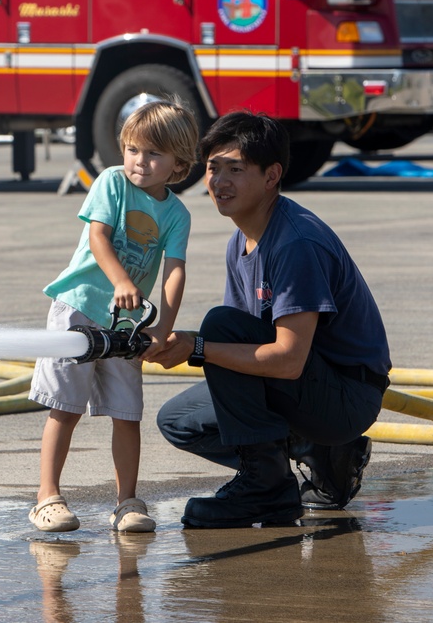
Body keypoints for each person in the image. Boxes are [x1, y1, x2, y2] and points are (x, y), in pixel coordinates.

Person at [150, 111, 390, 529]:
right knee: (179, 422)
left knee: (218, 329)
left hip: (345, 396)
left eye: (235, 170)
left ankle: (268, 485)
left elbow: (288, 359)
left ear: (271, 175)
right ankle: (311, 453)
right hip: (304, 388)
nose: (219, 182)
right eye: (213, 168)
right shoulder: (239, 241)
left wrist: (198, 347)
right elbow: (244, 356)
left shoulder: (295, 242)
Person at [28, 99, 198, 533]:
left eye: (153, 153)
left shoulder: (177, 213)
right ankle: (47, 496)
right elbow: (99, 238)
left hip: (126, 326)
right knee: (64, 407)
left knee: (127, 413)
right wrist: (122, 281)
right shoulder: (111, 183)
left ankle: (127, 502)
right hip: (79, 308)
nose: (140, 162)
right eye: (133, 150)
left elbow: (175, 271)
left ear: (179, 162)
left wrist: (163, 326)